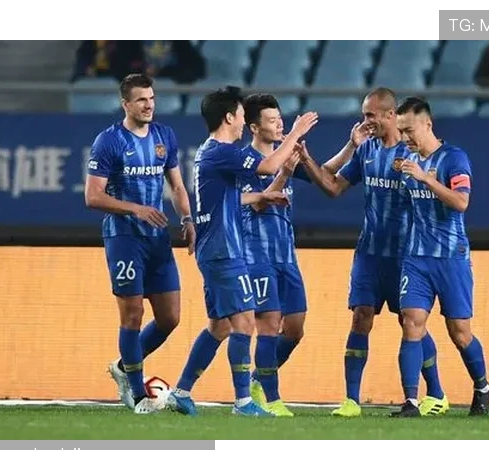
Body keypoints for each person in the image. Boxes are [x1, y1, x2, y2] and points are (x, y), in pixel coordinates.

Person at [166, 86, 319, 416]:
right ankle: (244, 402)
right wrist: (296, 133)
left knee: (220, 326)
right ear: (229, 117)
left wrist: (260, 197)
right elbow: (268, 167)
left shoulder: (211, 152)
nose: (241, 120)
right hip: (224, 249)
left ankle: (182, 391)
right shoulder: (224, 151)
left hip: (216, 247)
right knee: (245, 322)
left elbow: (228, 197)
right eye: (239, 114)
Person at [297, 88, 449, 417]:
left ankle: (436, 393)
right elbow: (333, 187)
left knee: (411, 323)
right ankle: (352, 400)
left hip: (406, 255)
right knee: (361, 317)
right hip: (369, 253)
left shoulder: (415, 154)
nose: (365, 121)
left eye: (370, 115)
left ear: (390, 115)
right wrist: (307, 160)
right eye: (364, 114)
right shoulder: (366, 150)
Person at [84, 73, 195, 415]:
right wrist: (136, 208)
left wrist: (188, 219)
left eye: (152, 98)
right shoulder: (109, 141)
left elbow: (177, 186)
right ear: (126, 104)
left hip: (157, 239)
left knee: (170, 318)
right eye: (141, 100)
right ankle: (137, 394)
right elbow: (93, 196)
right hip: (124, 238)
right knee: (133, 314)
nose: (149, 105)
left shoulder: (164, 136)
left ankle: (124, 365)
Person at [393, 96, 489, 417]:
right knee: (411, 322)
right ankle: (411, 401)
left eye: (409, 130)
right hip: (416, 257)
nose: (405, 138)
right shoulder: (407, 162)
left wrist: (426, 179)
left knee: (459, 332)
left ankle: (482, 387)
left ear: (428, 124)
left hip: (451, 257)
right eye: (400, 131)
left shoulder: (454, 159)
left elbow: (461, 203)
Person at [239, 94, 313, 417]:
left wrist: (352, 146)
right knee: (268, 324)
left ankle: (259, 378)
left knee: (294, 329)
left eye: (280, 118)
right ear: (254, 127)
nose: (279, 124)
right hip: (257, 255)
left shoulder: (285, 155)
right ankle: (271, 399)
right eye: (271, 120)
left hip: (286, 255)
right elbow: (257, 204)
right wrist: (284, 173)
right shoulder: (244, 161)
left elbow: (326, 173)